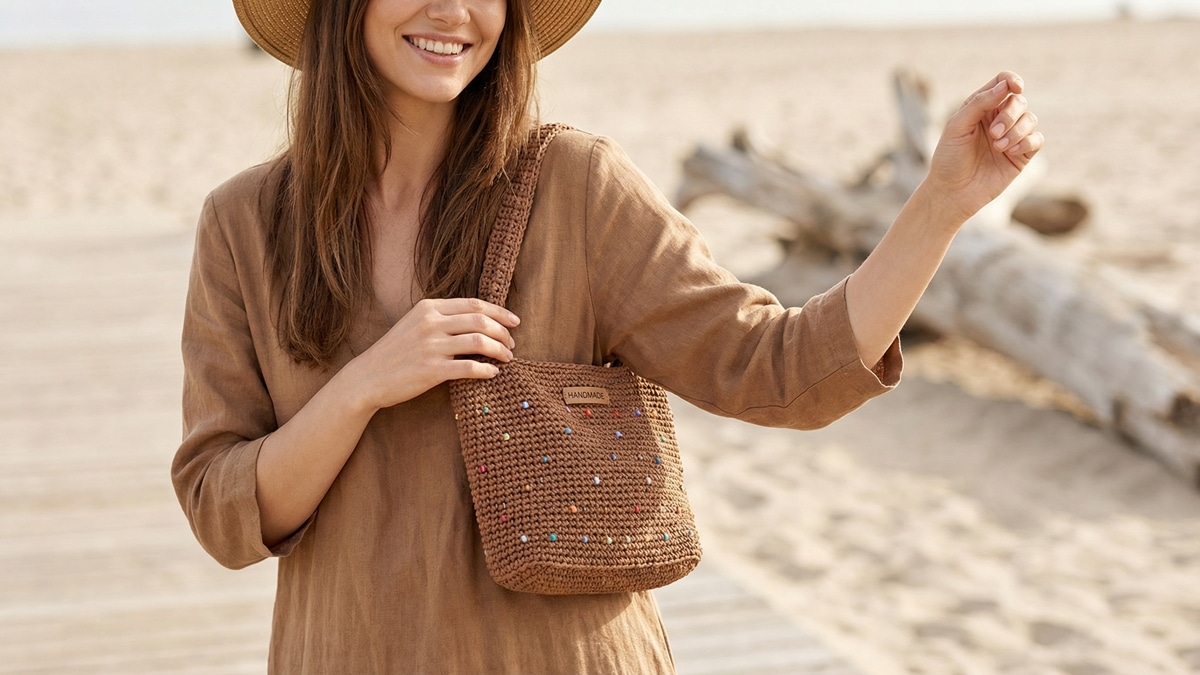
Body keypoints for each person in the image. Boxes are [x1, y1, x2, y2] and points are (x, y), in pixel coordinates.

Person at [171, 0, 1043, 672]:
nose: (452, 11)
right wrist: (363, 384)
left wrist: (940, 206)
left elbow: (778, 368)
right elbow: (224, 510)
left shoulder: (576, 186)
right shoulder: (245, 224)